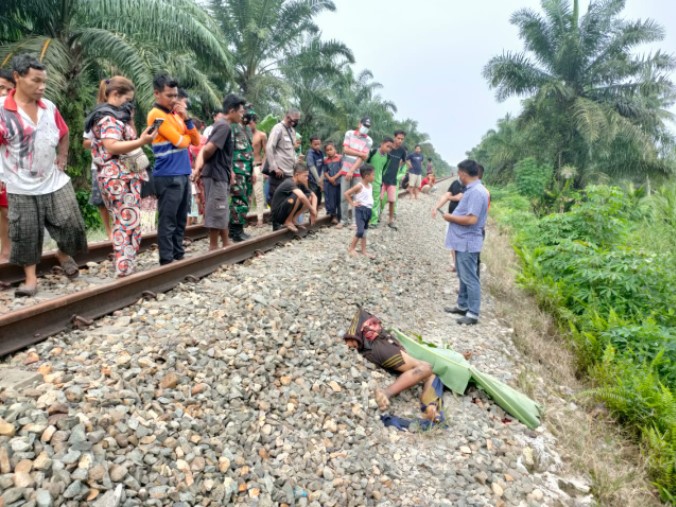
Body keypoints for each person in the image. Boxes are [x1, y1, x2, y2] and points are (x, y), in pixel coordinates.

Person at [0, 54, 87, 297]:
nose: (42, 87)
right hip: (20, 185)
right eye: (36, 81)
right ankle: (30, 280)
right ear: (17, 78)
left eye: (44, 82)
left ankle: (62, 253)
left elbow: (64, 132)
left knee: (73, 227)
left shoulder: (49, 107)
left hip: (54, 180)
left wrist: (63, 157)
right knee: (26, 233)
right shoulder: (3, 111)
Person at [86, 77, 157, 277]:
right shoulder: (108, 118)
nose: (129, 105)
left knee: (126, 221)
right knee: (126, 222)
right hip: (118, 176)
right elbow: (111, 145)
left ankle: (126, 264)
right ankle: (124, 268)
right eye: (127, 100)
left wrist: (139, 138)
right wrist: (141, 141)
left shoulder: (109, 115)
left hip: (118, 175)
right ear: (116, 95)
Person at [343, 308, 443, 422]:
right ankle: (387, 393)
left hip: (378, 345)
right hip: (380, 346)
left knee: (431, 375)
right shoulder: (375, 339)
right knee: (426, 368)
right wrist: (354, 338)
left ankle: (431, 407)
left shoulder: (370, 331)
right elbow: (359, 318)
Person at [147, 74, 201, 265]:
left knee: (180, 219)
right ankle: (167, 259)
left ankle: (178, 254)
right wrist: (184, 138)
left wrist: (186, 120)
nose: (173, 100)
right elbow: (180, 142)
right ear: (156, 94)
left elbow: (196, 141)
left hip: (182, 173)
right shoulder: (156, 115)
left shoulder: (176, 116)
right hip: (168, 175)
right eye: (169, 96)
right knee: (168, 220)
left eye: (175, 96)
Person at [432, 160, 489, 325]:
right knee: (463, 276)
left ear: (464, 173)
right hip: (462, 241)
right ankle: (462, 305)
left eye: (459, 173)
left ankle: (473, 314)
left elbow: (472, 219)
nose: (459, 176)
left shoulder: (477, 192)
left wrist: (450, 218)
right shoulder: (472, 190)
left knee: (470, 277)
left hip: (468, 242)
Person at [194, 95, 242, 251]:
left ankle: (226, 243)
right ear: (232, 111)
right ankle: (214, 247)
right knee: (216, 209)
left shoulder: (223, 126)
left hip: (219, 173)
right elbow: (207, 149)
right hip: (215, 174)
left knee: (221, 209)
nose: (242, 115)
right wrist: (202, 166)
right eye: (240, 112)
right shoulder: (224, 126)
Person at [337, 117, 373, 229]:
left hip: (357, 171)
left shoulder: (369, 140)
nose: (365, 128)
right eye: (364, 125)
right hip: (345, 170)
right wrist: (360, 153)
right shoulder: (349, 133)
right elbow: (345, 150)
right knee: (344, 195)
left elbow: (363, 158)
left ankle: (354, 221)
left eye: (368, 127)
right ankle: (343, 220)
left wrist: (352, 170)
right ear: (359, 124)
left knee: (357, 197)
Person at [229, 97, 254, 242]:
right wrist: (231, 170)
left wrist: (252, 171)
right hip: (237, 170)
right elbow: (230, 150)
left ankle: (236, 229)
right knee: (239, 200)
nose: (247, 115)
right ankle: (236, 231)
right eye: (244, 112)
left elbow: (249, 152)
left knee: (244, 199)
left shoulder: (244, 130)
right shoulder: (232, 127)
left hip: (246, 171)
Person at [432, 172, 466, 271]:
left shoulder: (470, 187)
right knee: (452, 242)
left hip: (463, 219)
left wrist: (450, 198)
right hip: (451, 217)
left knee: (461, 242)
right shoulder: (455, 183)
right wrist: (436, 207)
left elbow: (459, 197)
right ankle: (456, 265)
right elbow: (445, 195)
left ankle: (462, 265)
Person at [270, 162, 317, 232]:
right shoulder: (289, 182)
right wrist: (312, 210)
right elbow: (301, 197)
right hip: (277, 215)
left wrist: (314, 210)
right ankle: (288, 221)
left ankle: (293, 219)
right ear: (297, 175)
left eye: (307, 176)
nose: (307, 178)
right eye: (305, 176)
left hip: (284, 212)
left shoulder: (300, 184)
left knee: (308, 197)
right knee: (299, 196)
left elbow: (314, 196)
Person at [266, 109, 299, 203]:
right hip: (279, 173)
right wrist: (275, 168)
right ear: (288, 117)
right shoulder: (278, 128)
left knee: (287, 202)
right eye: (295, 119)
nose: (296, 122)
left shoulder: (292, 131)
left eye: (297, 120)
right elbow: (269, 147)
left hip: (289, 173)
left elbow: (291, 150)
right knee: (276, 201)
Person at [0, 69, 16, 263]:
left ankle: (8, 251)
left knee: (6, 210)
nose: (2, 93)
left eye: (5, 88)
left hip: (10, 168)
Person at [344, 165, 376, 258]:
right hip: (361, 210)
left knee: (365, 232)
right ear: (366, 176)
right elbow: (346, 193)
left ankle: (364, 251)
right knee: (360, 231)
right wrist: (352, 203)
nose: (374, 177)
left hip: (368, 210)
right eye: (373, 175)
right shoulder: (359, 186)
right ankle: (351, 248)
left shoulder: (370, 186)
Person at [380, 130, 407, 230]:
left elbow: (404, 161)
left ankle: (390, 220)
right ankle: (376, 216)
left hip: (392, 180)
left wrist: (398, 167)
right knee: (379, 198)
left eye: (402, 139)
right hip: (382, 178)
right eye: (398, 138)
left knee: (392, 201)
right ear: (394, 137)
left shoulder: (402, 151)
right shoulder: (388, 147)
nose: (400, 140)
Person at [247, 108, 267, 227]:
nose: (249, 125)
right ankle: (244, 217)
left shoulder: (261, 135)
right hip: (245, 167)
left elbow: (266, 152)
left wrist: (263, 168)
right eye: (247, 122)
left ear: (255, 122)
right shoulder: (243, 135)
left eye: (251, 122)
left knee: (258, 194)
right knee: (246, 194)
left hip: (257, 166)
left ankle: (260, 219)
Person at [366, 137, 393, 226]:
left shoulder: (388, 157)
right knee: (365, 200)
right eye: (387, 146)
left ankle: (373, 221)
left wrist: (380, 180)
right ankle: (365, 219)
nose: (388, 149)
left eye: (390, 148)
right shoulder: (372, 152)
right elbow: (365, 163)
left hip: (377, 182)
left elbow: (384, 169)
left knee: (375, 202)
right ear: (382, 144)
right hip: (366, 181)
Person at [322, 142, 342, 225]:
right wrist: (330, 178)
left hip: (339, 181)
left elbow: (342, 169)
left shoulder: (340, 158)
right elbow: (325, 171)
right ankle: (333, 216)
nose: (329, 151)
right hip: (329, 182)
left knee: (339, 199)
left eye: (331, 149)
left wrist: (334, 177)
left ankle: (340, 216)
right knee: (331, 199)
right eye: (327, 150)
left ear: (335, 149)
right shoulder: (325, 160)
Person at [305, 135, 324, 207]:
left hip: (320, 180)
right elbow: (312, 167)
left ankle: (316, 209)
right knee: (313, 197)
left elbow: (323, 166)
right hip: (312, 180)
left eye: (319, 144)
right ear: (311, 144)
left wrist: (321, 180)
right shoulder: (310, 154)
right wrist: (318, 180)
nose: (317, 146)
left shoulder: (321, 153)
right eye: (315, 144)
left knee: (319, 197)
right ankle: (312, 213)